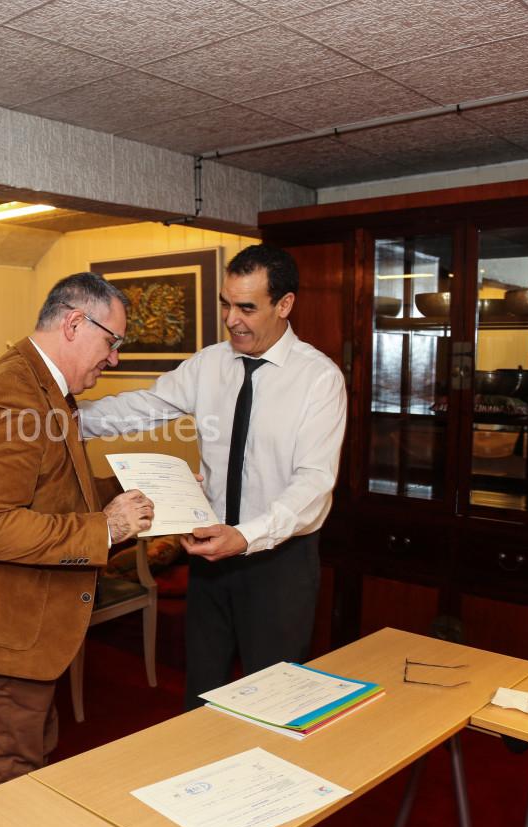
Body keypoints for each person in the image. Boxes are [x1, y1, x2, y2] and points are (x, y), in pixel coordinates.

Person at [79, 244, 347, 709]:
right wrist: (65, 419)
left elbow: (313, 485)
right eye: (226, 304)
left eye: (247, 307)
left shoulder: (319, 379)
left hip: (278, 563)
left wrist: (245, 537)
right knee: (202, 694)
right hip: (209, 557)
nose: (231, 319)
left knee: (274, 701)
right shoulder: (210, 364)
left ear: (284, 305)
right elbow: (145, 406)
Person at [0, 272, 154, 794]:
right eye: (112, 342)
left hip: (23, 629)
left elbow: (55, 491)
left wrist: (140, 489)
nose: (114, 358)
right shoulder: (13, 393)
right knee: (5, 787)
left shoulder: (42, 384)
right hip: (0, 631)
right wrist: (107, 527)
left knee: (28, 769)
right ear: (74, 323)